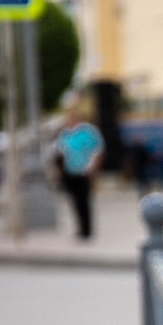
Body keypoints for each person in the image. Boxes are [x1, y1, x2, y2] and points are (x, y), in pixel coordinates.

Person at [54, 98, 105, 240]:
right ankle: (80, 228)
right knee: (74, 201)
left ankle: (87, 229)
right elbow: (60, 152)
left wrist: (92, 169)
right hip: (69, 171)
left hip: (84, 171)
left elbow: (98, 151)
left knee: (84, 201)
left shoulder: (88, 132)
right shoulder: (65, 134)